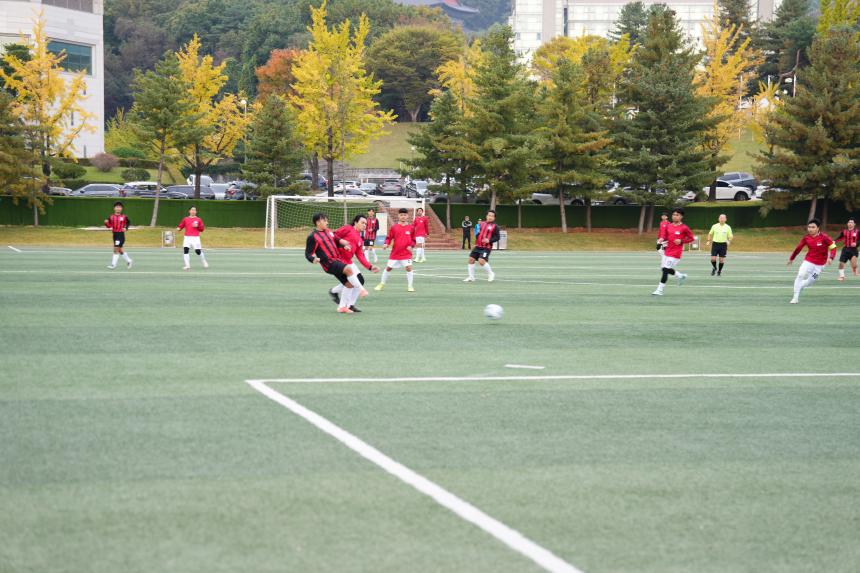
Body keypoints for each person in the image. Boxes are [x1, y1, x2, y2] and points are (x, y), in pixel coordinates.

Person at [305, 213, 363, 314]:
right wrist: (313, 259)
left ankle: (342, 307)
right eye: (325, 220)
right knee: (349, 269)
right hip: (328, 263)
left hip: (337, 260)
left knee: (349, 284)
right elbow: (307, 253)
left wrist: (343, 245)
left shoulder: (328, 232)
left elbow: (335, 242)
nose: (327, 222)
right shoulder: (312, 236)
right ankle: (361, 289)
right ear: (318, 222)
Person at [329, 214, 379, 312]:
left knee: (360, 280)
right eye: (362, 223)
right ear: (355, 222)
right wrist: (342, 245)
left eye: (366, 224)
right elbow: (333, 235)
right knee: (351, 283)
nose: (364, 225)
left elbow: (360, 255)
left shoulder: (360, 239)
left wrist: (370, 267)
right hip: (339, 260)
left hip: (348, 262)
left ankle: (348, 303)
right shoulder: (348, 228)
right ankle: (344, 305)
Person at [788, 218, 836, 304]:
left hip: (820, 265)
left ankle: (800, 286)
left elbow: (833, 247)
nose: (810, 229)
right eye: (809, 227)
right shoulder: (806, 238)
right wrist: (792, 258)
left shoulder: (824, 237)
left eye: (813, 227)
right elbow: (798, 248)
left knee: (809, 282)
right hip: (808, 261)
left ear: (818, 228)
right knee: (800, 275)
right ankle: (795, 297)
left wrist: (831, 257)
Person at [652, 207, 694, 296]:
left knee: (665, 270)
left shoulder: (684, 228)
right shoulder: (669, 225)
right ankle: (680, 275)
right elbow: (664, 235)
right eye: (673, 214)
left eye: (677, 215)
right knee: (664, 269)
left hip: (675, 253)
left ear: (681, 216)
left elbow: (691, 238)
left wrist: (681, 241)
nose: (674, 216)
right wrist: (661, 239)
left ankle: (659, 290)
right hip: (667, 251)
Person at [375, 208, 416, 292]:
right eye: (401, 215)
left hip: (406, 253)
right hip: (395, 253)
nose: (403, 216)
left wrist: (411, 246)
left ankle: (410, 286)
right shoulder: (394, 227)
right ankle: (381, 284)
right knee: (388, 268)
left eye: (405, 215)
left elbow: (414, 240)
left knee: (409, 268)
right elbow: (389, 238)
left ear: (407, 216)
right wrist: (386, 244)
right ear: (398, 216)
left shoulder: (411, 227)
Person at [464, 209, 500, 283]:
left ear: (494, 218)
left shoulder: (495, 226)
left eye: (492, 216)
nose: (490, 217)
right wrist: (477, 240)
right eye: (489, 215)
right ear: (486, 216)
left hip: (486, 247)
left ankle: (491, 274)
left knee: (481, 261)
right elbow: (478, 233)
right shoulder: (481, 224)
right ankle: (471, 277)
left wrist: (489, 240)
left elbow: (497, 237)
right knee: (471, 259)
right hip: (478, 246)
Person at [177, 206, 208, 270]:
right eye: (192, 210)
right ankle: (187, 265)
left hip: (195, 238)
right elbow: (181, 225)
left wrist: (197, 226)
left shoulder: (199, 219)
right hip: (187, 237)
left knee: (198, 251)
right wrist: (179, 228)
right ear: (189, 211)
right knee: (186, 250)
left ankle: (204, 262)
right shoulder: (185, 219)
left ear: (196, 212)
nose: (193, 211)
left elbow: (202, 229)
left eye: (194, 210)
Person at [104, 201, 133, 270]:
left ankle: (113, 265)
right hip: (115, 235)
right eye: (117, 207)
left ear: (121, 208)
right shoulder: (111, 217)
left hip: (120, 235)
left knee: (115, 249)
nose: (118, 208)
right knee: (120, 250)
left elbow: (128, 222)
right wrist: (106, 223)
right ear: (114, 208)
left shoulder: (124, 216)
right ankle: (129, 261)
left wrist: (126, 228)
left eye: (120, 207)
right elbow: (109, 226)